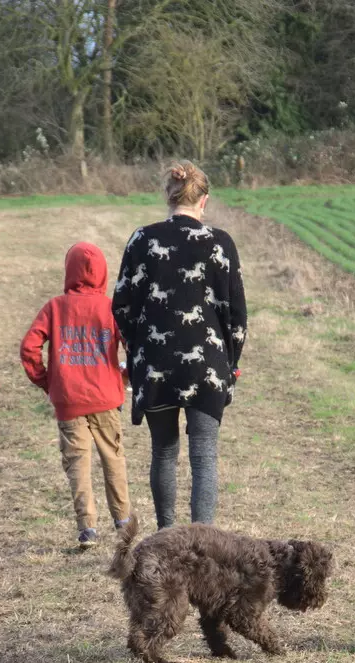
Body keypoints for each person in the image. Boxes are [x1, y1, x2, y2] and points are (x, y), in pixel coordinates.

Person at [111, 160, 247, 529]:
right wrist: (230, 365)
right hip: (208, 368)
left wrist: (136, 351)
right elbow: (236, 317)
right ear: (204, 200)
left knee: (164, 452)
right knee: (204, 457)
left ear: (168, 197)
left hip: (156, 366)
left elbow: (121, 306)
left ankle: (167, 538)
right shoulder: (221, 244)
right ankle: (202, 544)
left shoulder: (143, 240)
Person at [20, 241, 132, 547]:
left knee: (77, 463)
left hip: (69, 400)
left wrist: (47, 382)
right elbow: (135, 346)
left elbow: (29, 347)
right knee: (114, 458)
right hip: (107, 398)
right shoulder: (111, 307)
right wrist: (124, 376)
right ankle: (123, 522)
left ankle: (87, 529)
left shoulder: (55, 308)